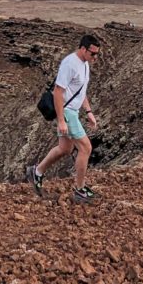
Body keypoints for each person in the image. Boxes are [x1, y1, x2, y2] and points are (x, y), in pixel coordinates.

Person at [27, 34, 100, 204]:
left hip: (72, 111)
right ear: (83, 49)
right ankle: (80, 190)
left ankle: (36, 172)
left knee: (65, 149)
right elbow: (58, 92)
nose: (95, 57)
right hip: (67, 111)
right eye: (93, 53)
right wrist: (61, 120)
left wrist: (88, 111)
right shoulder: (70, 64)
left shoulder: (85, 64)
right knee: (86, 148)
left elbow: (80, 91)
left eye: (97, 54)